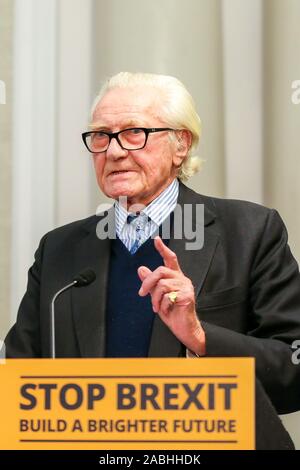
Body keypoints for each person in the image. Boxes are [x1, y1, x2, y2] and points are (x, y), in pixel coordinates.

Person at [4, 72, 300, 448]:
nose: (113, 151)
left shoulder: (250, 231)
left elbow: (293, 368)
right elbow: (19, 379)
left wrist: (202, 338)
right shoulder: (60, 251)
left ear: (181, 144)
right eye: (100, 136)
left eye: (133, 133)